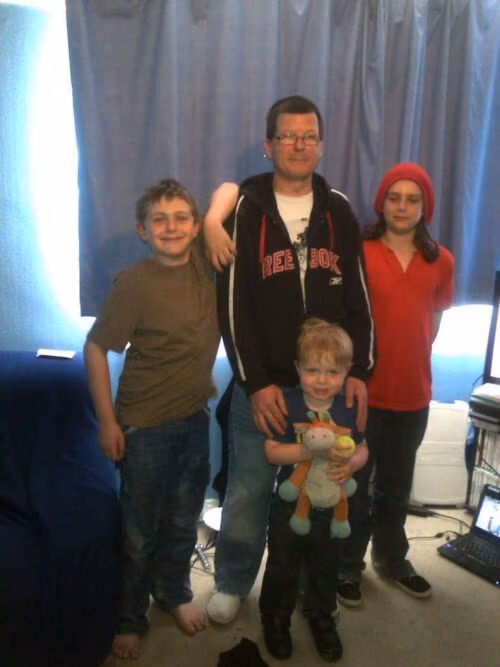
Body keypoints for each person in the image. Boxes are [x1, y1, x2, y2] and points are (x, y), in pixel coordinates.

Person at [203, 94, 375, 624]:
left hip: (324, 384)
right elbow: (233, 306)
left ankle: (304, 584)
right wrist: (254, 383)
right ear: (269, 144)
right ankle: (233, 580)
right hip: (266, 386)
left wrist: (360, 372)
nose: (299, 145)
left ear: (320, 145)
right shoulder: (245, 208)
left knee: (318, 490)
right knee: (249, 490)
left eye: (308, 136)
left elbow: (359, 298)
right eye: (287, 136)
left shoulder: (338, 209)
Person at [84, 178, 219, 660]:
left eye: (182, 218)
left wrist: (213, 218)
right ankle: (129, 615)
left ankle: (174, 592)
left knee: (184, 519)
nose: (171, 227)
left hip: (194, 420)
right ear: (142, 230)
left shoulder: (205, 267)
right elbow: (96, 348)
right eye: (159, 220)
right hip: (143, 428)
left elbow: (226, 192)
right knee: (140, 533)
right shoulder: (134, 283)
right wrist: (107, 421)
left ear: (196, 227)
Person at [337, 163, 454, 607]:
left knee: (395, 487)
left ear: (425, 208)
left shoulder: (441, 261)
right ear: (381, 203)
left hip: (413, 396)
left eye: (412, 200)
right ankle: (347, 565)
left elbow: (433, 325)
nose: (402, 207)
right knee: (355, 486)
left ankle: (392, 558)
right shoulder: (359, 252)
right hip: (362, 393)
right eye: (394, 198)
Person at [259, 318, 368, 662]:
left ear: (347, 371)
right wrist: (308, 452)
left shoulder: (348, 406)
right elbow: (272, 452)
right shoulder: (287, 403)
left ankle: (321, 616)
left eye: (332, 372)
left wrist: (352, 465)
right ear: (297, 369)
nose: (322, 380)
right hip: (289, 504)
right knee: (283, 564)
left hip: (332, 506)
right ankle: (276, 618)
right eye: (312, 370)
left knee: (325, 565)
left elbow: (363, 448)